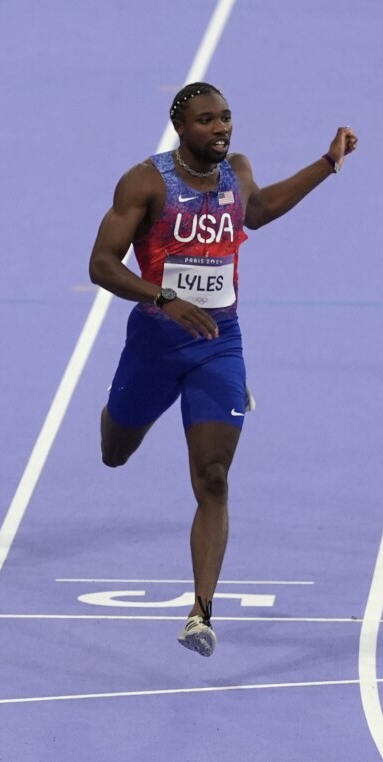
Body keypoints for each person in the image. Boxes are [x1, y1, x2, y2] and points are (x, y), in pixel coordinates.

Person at [88, 82, 358, 657]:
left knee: (212, 477)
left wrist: (328, 163)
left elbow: (257, 211)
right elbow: (101, 264)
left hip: (219, 342)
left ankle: (200, 613)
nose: (221, 128)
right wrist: (163, 298)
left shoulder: (236, 172)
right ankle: (121, 408)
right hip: (156, 345)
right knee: (114, 451)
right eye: (207, 120)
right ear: (180, 128)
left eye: (226, 118)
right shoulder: (145, 182)